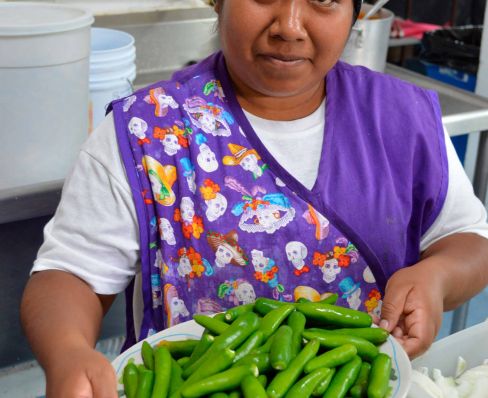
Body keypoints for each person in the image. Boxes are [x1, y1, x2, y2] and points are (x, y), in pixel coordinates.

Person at [20, 0, 488, 396]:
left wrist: (438, 275)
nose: (289, 26)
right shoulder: (148, 132)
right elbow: (70, 276)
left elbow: (469, 238)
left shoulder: (401, 121)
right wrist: (68, 351)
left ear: (355, 11)